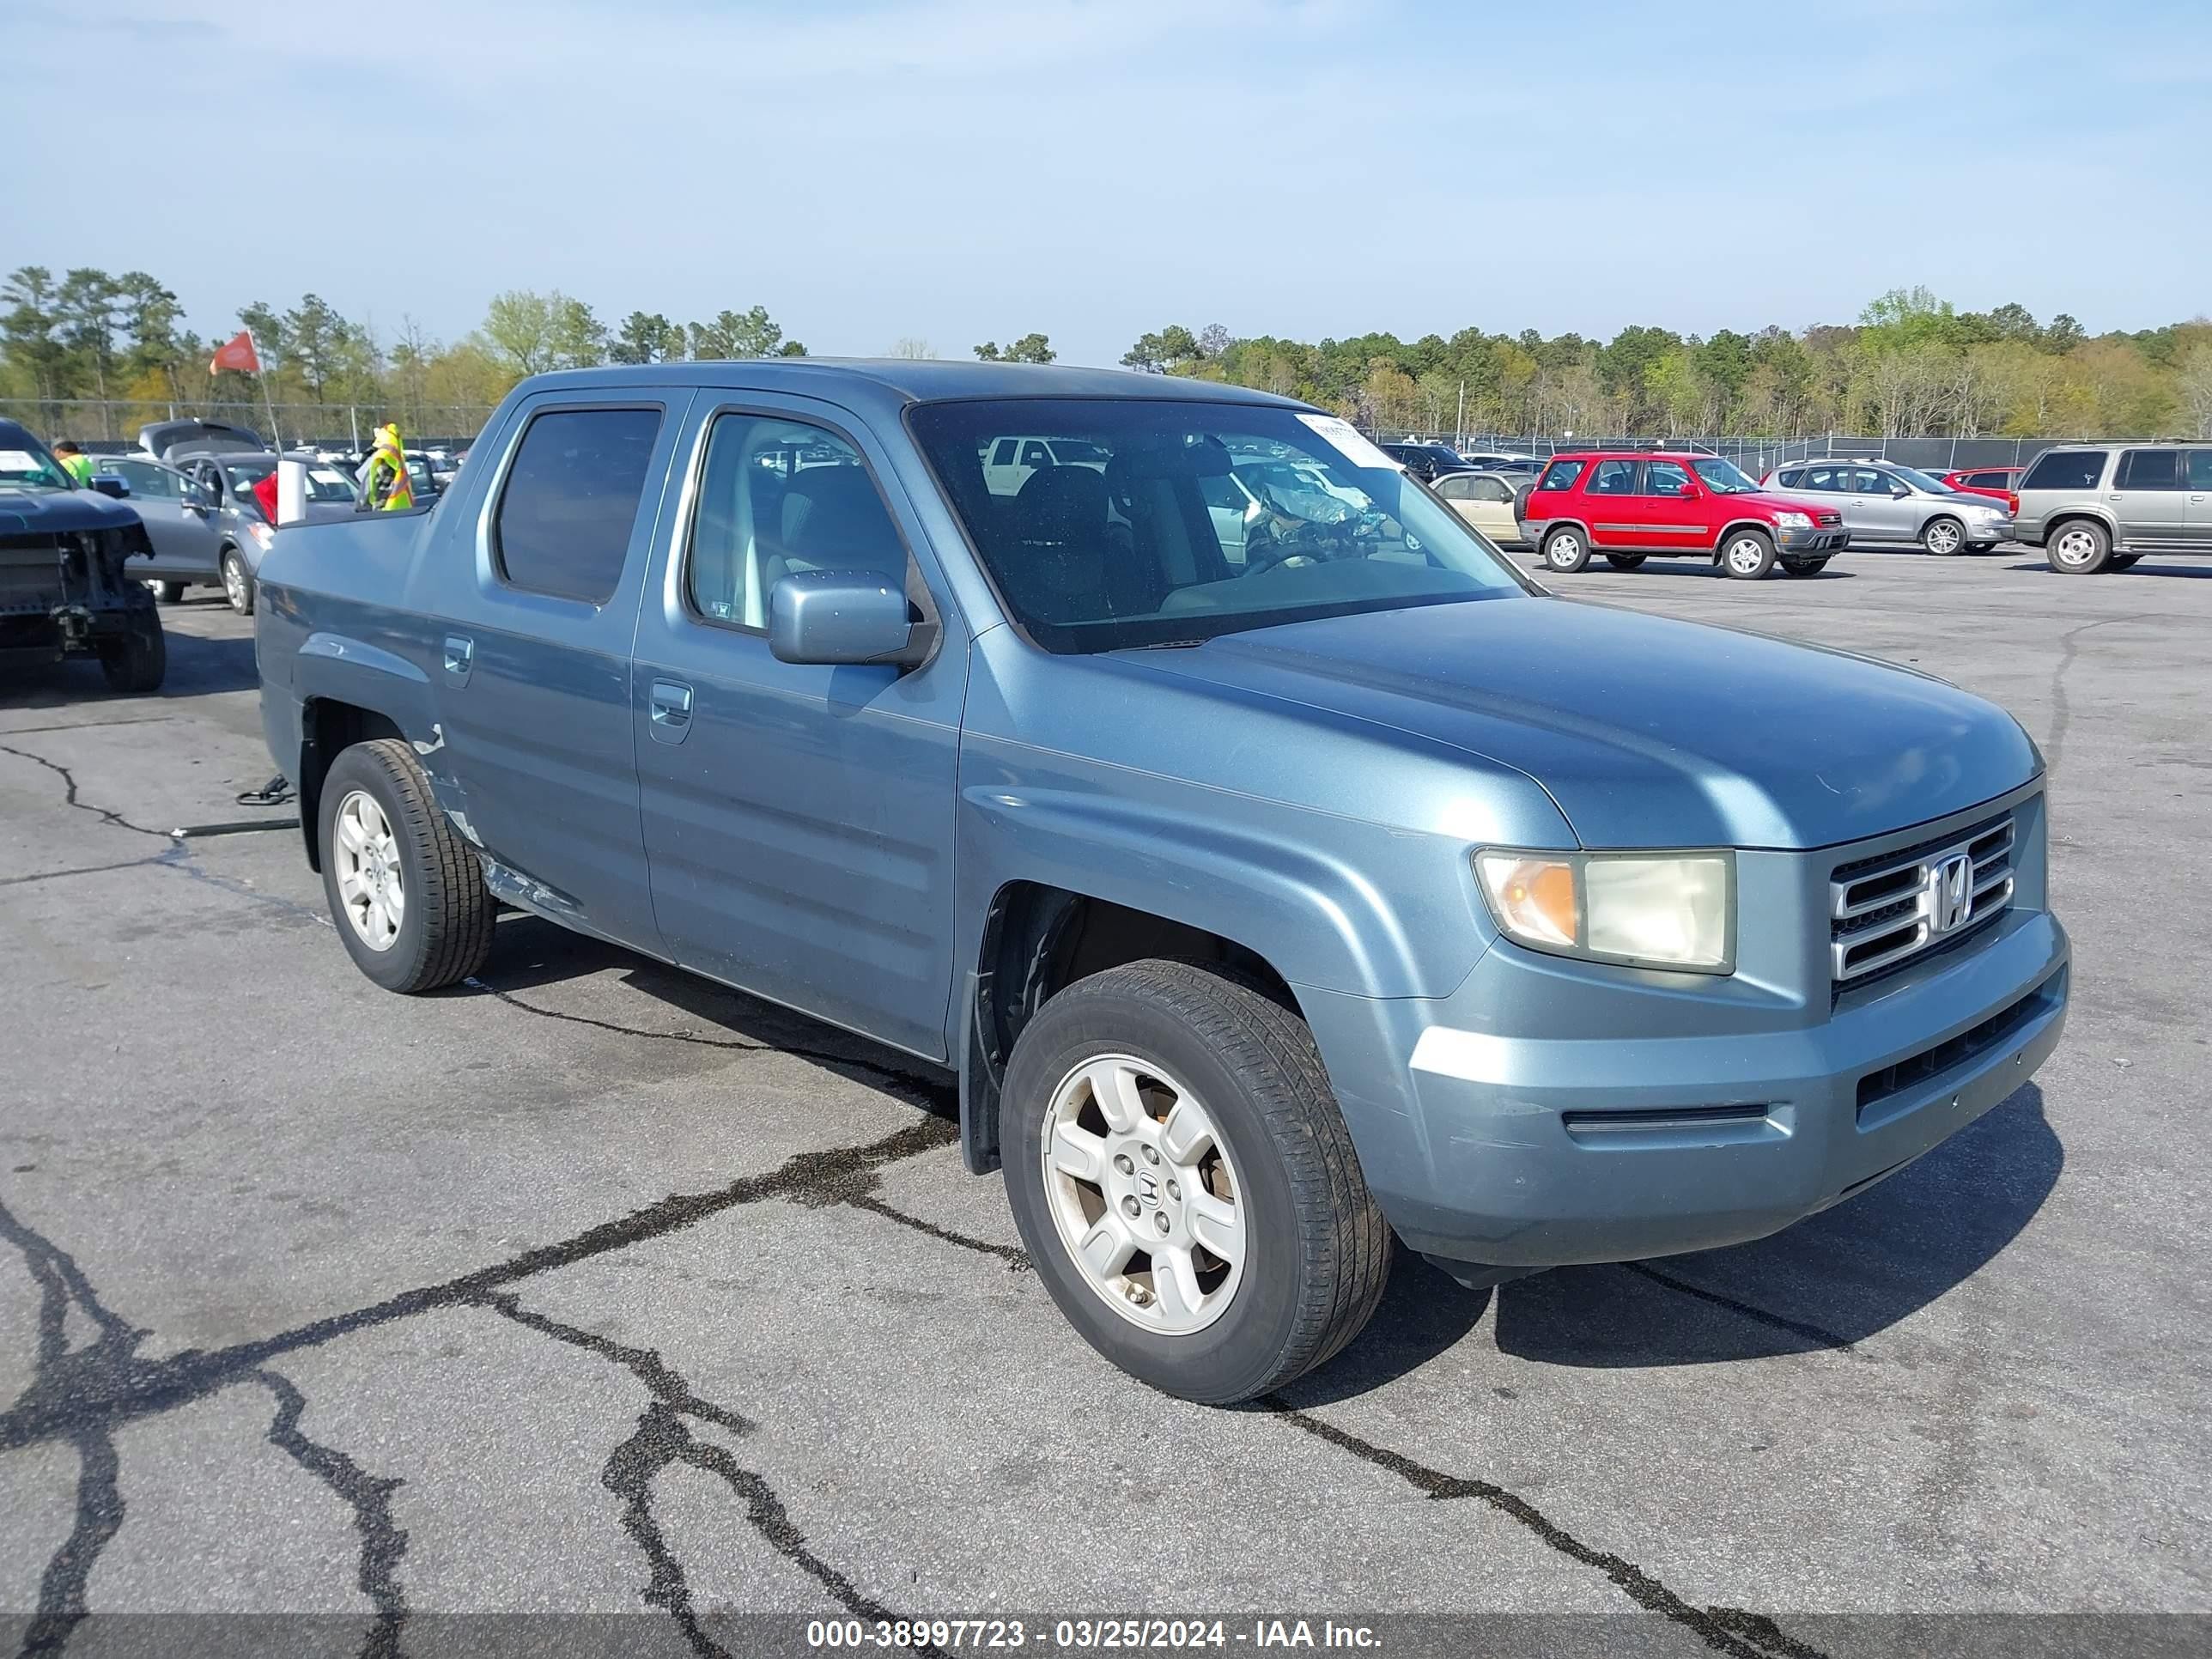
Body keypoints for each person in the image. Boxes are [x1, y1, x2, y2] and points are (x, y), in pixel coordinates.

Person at [358, 422, 414, 512]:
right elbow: (384, 488)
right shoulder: (392, 460)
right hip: (397, 510)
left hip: (390, 511)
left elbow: (382, 489)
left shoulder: (383, 460)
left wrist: (378, 509)